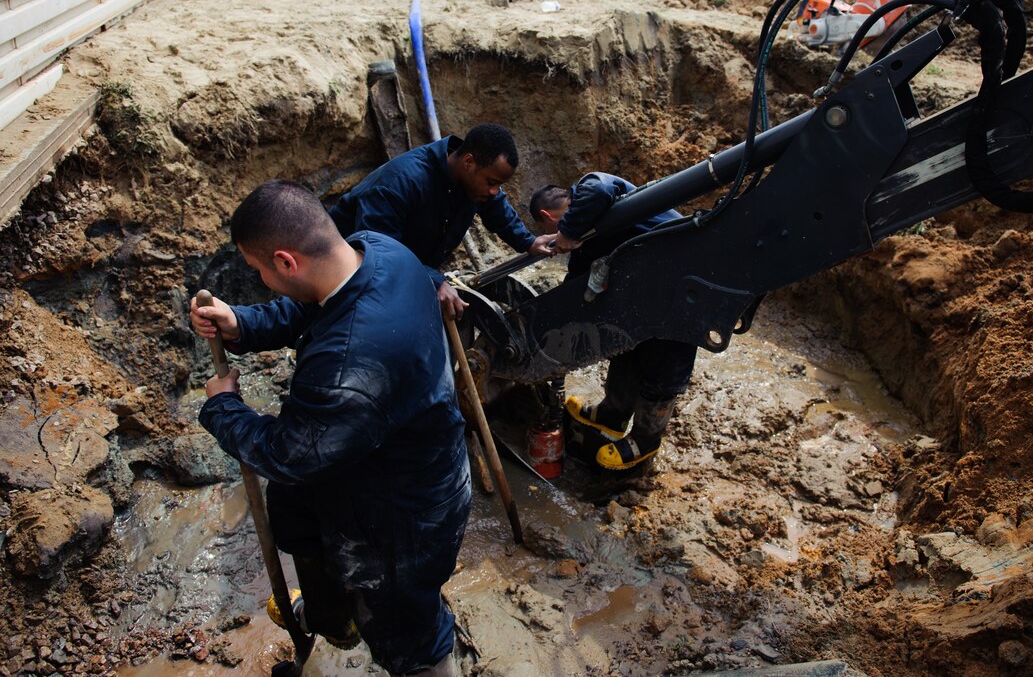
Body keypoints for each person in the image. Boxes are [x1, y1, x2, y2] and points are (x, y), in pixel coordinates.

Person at [190, 180, 469, 677]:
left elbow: (289, 455)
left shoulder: (345, 370)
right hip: (388, 452)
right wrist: (241, 323)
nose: (261, 280)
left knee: (407, 626)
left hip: (402, 517)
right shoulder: (379, 252)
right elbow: (313, 303)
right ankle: (332, 618)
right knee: (301, 520)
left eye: (259, 272)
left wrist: (224, 407)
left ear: (285, 261)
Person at [530, 174, 698, 472]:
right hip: (647, 291)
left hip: (683, 278)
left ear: (547, 216)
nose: (558, 241)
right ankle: (612, 414)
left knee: (664, 364)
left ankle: (646, 440)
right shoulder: (589, 235)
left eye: (550, 231)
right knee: (627, 347)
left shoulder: (590, 188)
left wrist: (567, 231)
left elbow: (599, 189)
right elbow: (577, 284)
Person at [328, 123, 556, 320]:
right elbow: (379, 252)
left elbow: (498, 209)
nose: (495, 191)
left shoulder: (474, 184)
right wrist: (434, 281)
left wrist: (529, 242)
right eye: (491, 182)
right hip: (345, 275)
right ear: (468, 161)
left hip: (400, 270)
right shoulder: (401, 182)